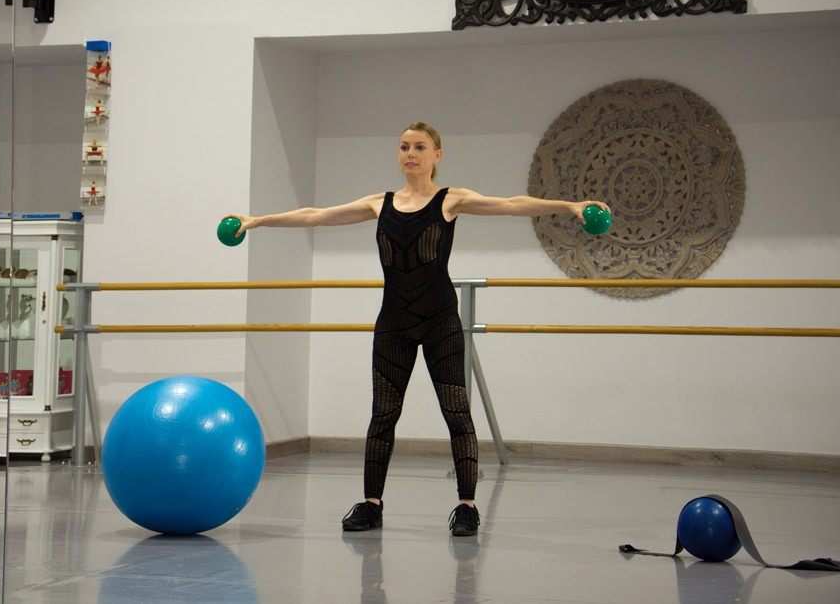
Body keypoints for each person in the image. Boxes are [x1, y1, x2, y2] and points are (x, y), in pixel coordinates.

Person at [225, 122, 609, 537]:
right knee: (382, 416)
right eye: (404, 146)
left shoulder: (451, 200)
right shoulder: (380, 203)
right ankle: (371, 505)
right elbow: (317, 215)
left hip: (440, 319)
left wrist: (569, 206)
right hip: (393, 323)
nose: (410, 153)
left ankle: (466, 506)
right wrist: (257, 220)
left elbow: (513, 204)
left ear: (436, 156)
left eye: (420, 147)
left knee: (456, 413)